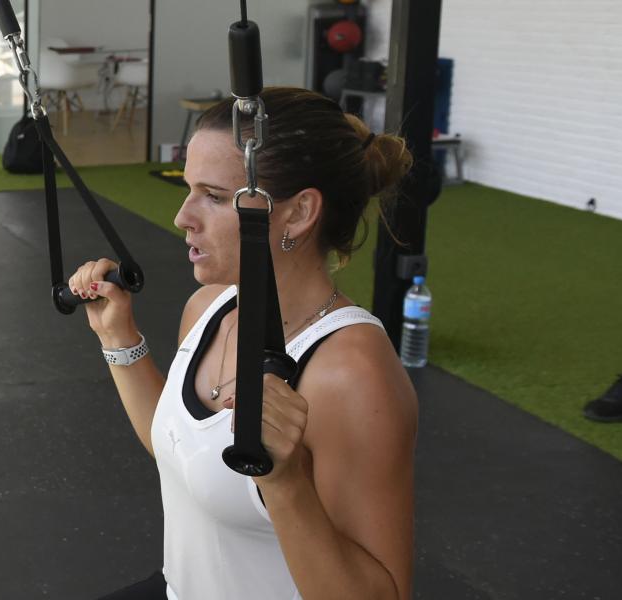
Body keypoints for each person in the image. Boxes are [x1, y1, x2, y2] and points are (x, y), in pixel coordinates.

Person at [70, 87, 418, 600]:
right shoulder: (209, 305)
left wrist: (285, 483)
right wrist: (119, 339)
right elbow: (183, 452)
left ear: (298, 214)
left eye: (213, 196)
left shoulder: (351, 372)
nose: (182, 216)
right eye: (188, 189)